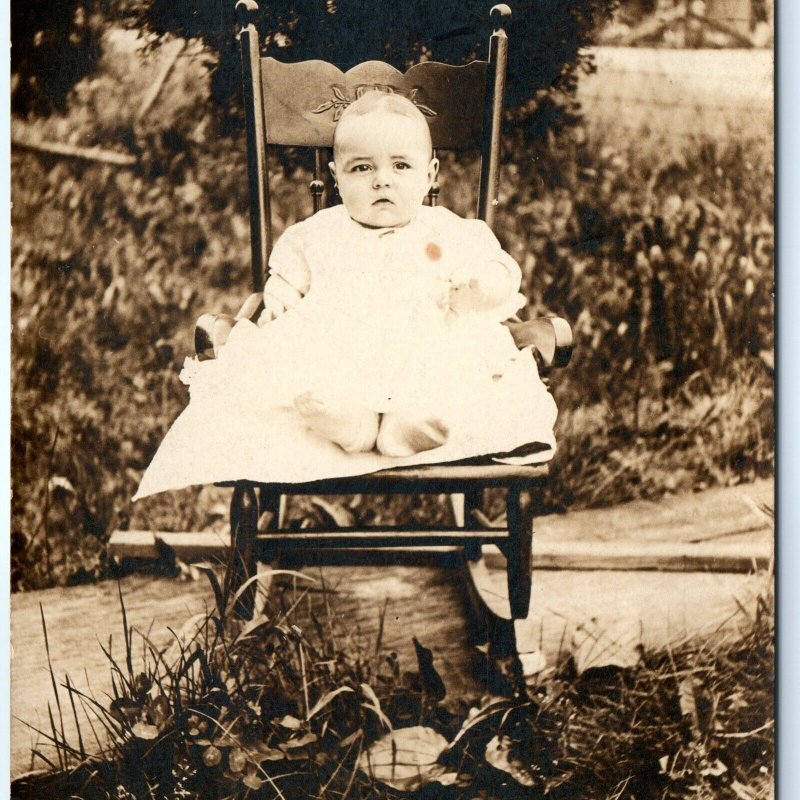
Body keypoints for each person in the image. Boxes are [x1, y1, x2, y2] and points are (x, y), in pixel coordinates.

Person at [134, 91, 556, 499]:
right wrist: (280, 299)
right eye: (361, 169)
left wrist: (483, 286)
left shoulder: (448, 231)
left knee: (454, 372)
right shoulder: (317, 234)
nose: (382, 180)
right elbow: (284, 279)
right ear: (336, 178)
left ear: (430, 175)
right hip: (342, 349)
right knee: (311, 377)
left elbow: (500, 270)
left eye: (401, 167)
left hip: (424, 348)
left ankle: (403, 430)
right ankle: (353, 427)